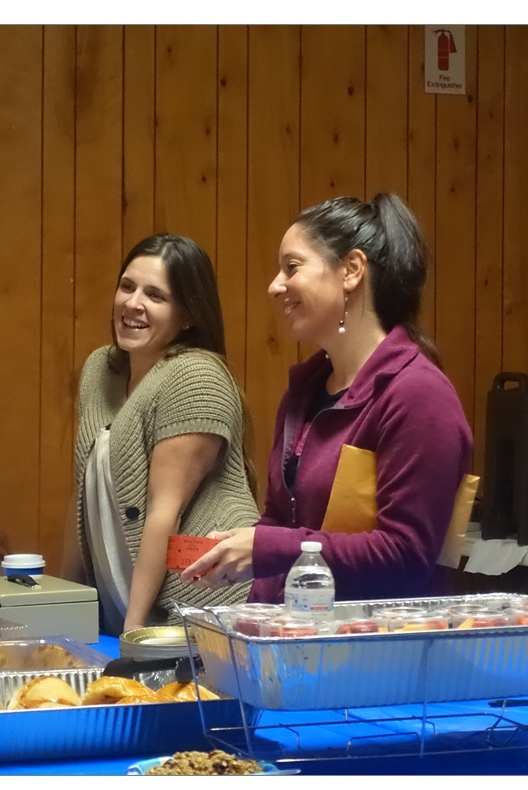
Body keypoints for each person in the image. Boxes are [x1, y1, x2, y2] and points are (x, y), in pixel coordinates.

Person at [181, 193, 474, 604]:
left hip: (383, 639)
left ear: (351, 270)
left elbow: (405, 555)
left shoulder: (419, 395)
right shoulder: (304, 391)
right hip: (302, 634)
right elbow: (280, 523)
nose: (275, 286)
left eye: (292, 267)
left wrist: (266, 548)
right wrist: (250, 609)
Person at [62, 233, 260, 635]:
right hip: (125, 601)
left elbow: (163, 511)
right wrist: (63, 606)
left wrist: (135, 632)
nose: (133, 303)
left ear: (186, 316)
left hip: (203, 603)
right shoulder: (101, 370)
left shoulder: (196, 376)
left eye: (155, 295)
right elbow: (83, 495)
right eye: (127, 287)